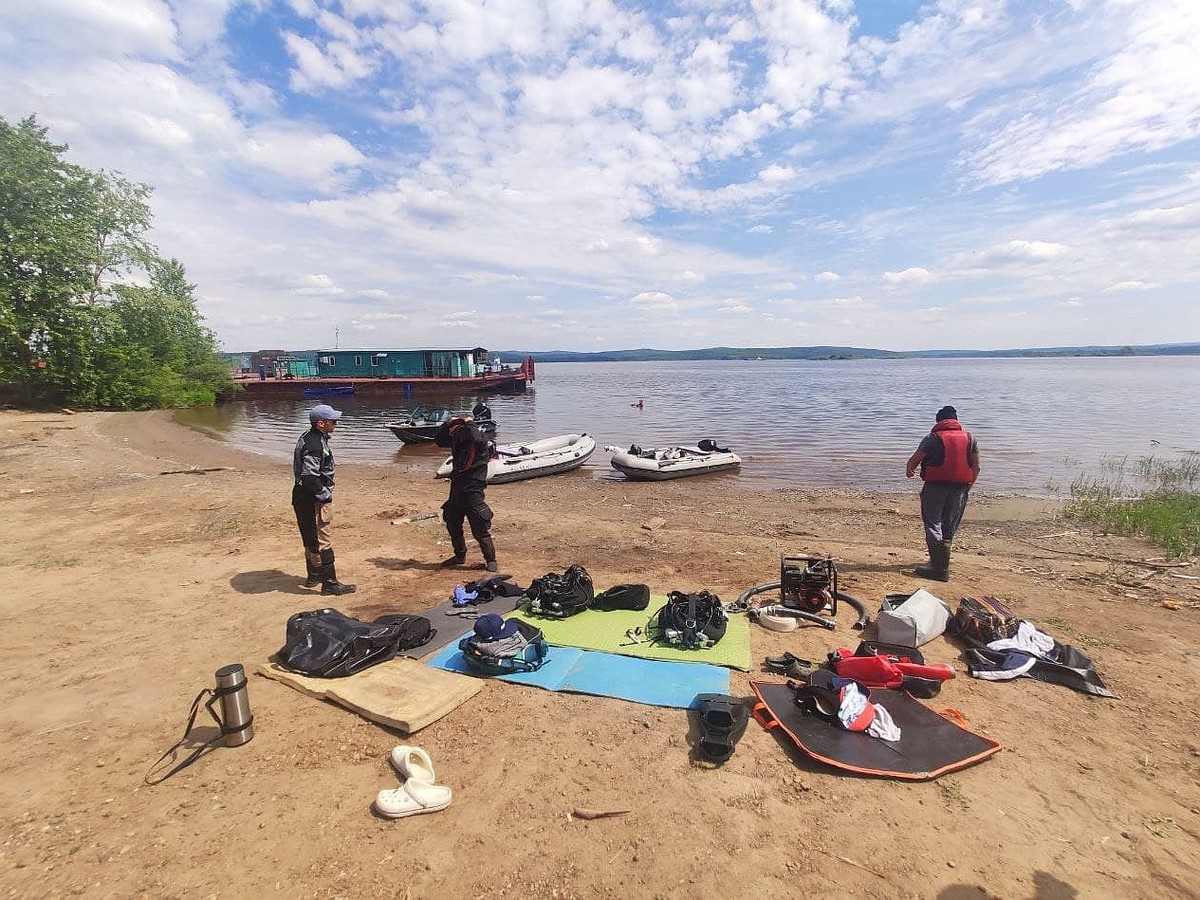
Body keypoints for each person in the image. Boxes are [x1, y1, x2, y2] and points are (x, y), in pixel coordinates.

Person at [905, 405, 981, 581]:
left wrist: (910, 470)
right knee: (950, 523)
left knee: (933, 522)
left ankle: (939, 568)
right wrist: (968, 486)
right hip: (960, 487)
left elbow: (914, 460)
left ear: (939, 421)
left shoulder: (932, 438)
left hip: (935, 487)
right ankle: (940, 561)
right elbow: (976, 467)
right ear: (956, 421)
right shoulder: (970, 439)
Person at [292, 404, 356, 595]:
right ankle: (330, 584)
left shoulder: (309, 436)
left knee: (310, 538)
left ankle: (314, 576)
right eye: (333, 421)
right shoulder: (315, 445)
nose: (336, 424)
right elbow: (310, 476)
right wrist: (325, 495)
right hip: (313, 499)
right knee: (323, 540)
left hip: (301, 496)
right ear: (321, 423)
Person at [434, 415, 499, 572]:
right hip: (457, 491)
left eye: (463, 431)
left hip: (473, 492)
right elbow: (439, 440)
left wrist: (470, 422)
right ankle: (460, 556)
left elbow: (476, 438)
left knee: (480, 528)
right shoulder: (458, 443)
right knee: (452, 524)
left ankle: (491, 560)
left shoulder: (481, 445)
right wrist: (448, 423)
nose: (460, 434)